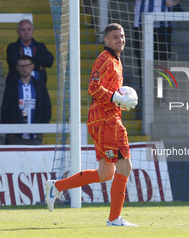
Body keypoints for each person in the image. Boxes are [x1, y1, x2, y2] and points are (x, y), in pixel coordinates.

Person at [45, 23, 138, 227]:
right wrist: (115, 97)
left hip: (102, 119)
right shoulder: (105, 59)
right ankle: (114, 219)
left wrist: (120, 100)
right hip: (106, 121)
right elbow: (93, 87)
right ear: (106, 40)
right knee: (125, 166)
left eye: (122, 36)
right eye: (115, 37)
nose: (120, 40)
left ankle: (57, 186)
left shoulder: (116, 61)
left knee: (106, 173)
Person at [0, 55, 52, 145]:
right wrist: (10, 133)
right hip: (15, 137)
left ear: (32, 66)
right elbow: (5, 109)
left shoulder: (40, 86)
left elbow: (47, 108)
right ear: (17, 68)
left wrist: (42, 130)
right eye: (21, 66)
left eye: (27, 65)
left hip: (35, 136)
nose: (24, 68)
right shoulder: (11, 86)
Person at [131, 0, 182, 70]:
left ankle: (161, 83)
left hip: (163, 25)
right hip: (141, 24)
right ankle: (144, 83)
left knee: (163, 59)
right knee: (142, 58)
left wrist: (173, 2)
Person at [6, 19, 54, 84]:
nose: (26, 32)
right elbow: (15, 64)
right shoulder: (12, 47)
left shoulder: (40, 46)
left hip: (38, 84)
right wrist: (39, 65)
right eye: (23, 30)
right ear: (18, 32)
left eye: (29, 29)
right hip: (17, 84)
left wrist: (25, 64)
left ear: (32, 31)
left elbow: (50, 60)